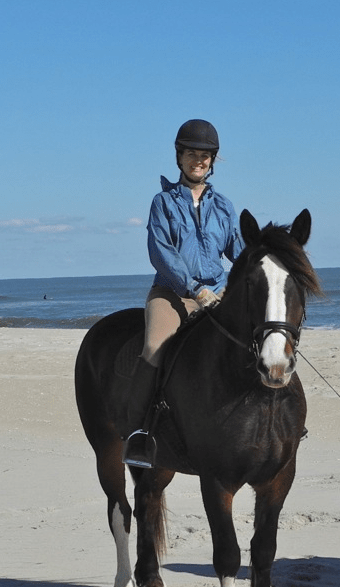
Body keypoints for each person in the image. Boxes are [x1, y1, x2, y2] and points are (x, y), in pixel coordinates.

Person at [122, 119, 244, 468]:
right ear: (180, 157)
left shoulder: (224, 207)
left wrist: (261, 261)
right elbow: (162, 252)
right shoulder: (162, 203)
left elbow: (238, 249)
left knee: (258, 338)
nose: (198, 161)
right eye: (192, 153)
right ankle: (139, 434)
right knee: (155, 347)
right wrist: (195, 289)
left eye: (205, 156)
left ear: (212, 161)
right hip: (174, 292)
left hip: (218, 293)